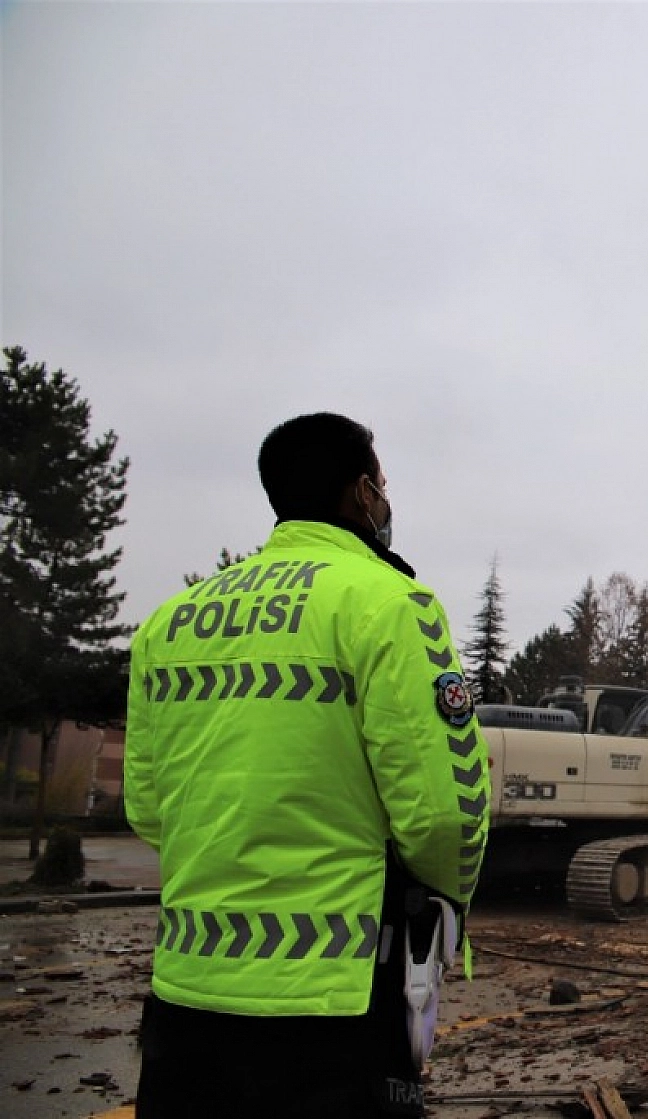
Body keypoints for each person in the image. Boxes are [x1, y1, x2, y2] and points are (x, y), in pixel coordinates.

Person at [124, 413, 491, 1118]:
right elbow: (447, 813)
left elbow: (146, 808)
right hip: (336, 1005)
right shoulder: (388, 604)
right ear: (361, 493)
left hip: (185, 1000)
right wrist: (441, 917)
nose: (386, 501)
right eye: (382, 485)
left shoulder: (166, 626)